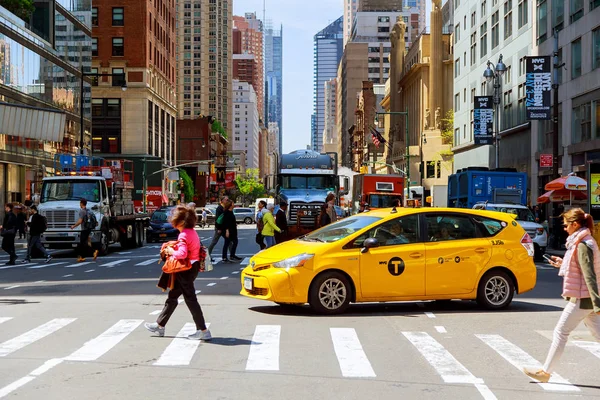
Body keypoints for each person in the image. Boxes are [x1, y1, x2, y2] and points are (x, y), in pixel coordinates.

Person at [523, 208, 600, 383]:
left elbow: (589, 275)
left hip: (583, 298)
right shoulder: (583, 241)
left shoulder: (582, 244)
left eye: (566, 225)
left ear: (575, 224)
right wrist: (562, 263)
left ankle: (545, 372)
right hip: (587, 298)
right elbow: (581, 269)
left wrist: (597, 303)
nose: (564, 228)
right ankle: (545, 372)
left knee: (560, 332)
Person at [145, 205, 211, 341]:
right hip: (191, 268)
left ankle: (203, 330)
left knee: (190, 299)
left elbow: (181, 254)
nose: (172, 221)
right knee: (173, 296)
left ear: (181, 222)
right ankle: (160, 325)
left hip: (185, 270)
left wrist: (170, 251)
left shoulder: (184, 234)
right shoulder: (192, 231)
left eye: (174, 219)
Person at [207, 196, 228, 261]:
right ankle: (207, 255)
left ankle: (231, 255)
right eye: (226, 200)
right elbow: (218, 219)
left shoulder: (224, 208)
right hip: (219, 228)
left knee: (229, 241)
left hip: (223, 228)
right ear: (222, 201)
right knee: (214, 242)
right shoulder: (219, 208)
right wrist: (218, 228)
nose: (227, 201)